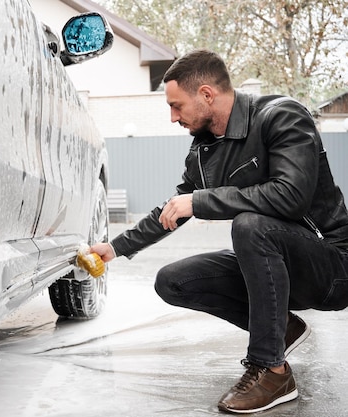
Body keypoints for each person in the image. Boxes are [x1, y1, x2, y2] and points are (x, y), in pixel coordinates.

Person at [90, 49, 348, 414]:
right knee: (173, 280)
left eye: (177, 106)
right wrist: (114, 248)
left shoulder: (282, 116)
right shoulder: (205, 149)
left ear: (207, 95)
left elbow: (291, 196)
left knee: (251, 225)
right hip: (277, 260)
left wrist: (203, 201)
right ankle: (283, 330)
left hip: (331, 264)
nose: (172, 116)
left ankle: (271, 370)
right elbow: (173, 209)